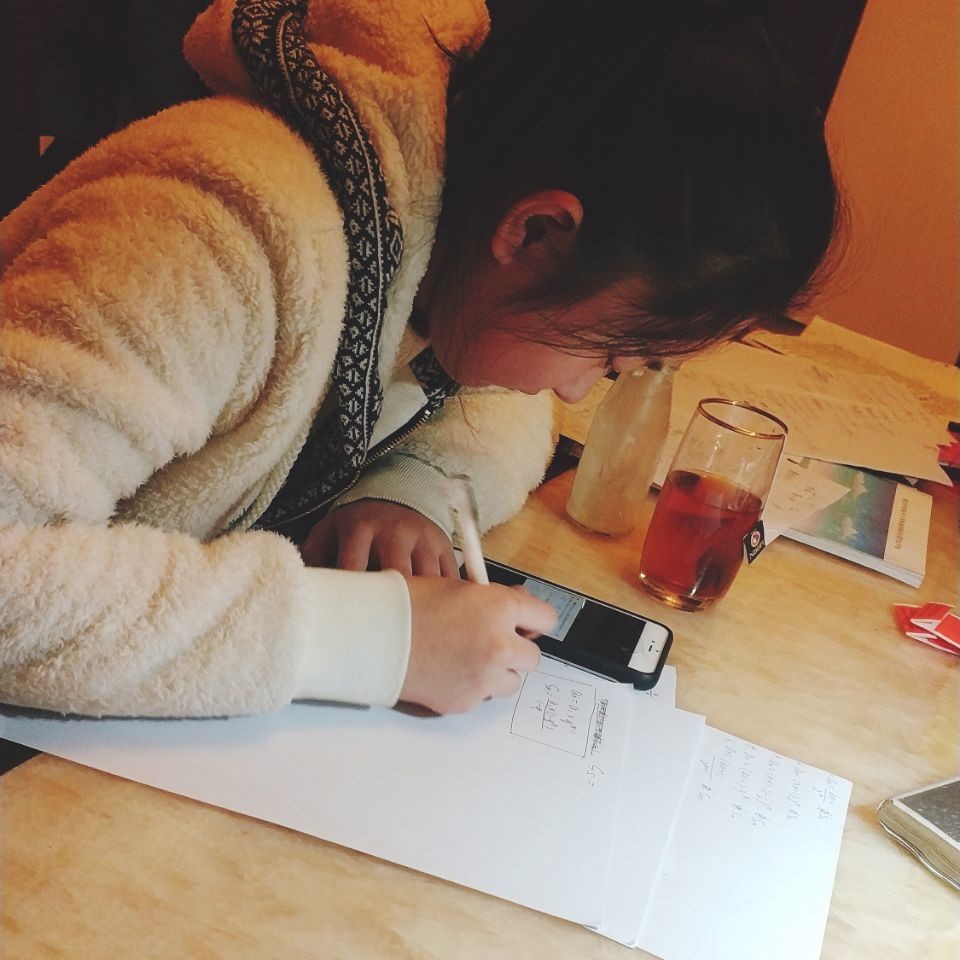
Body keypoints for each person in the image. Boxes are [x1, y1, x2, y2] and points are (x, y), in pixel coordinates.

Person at [0, 0, 841, 719]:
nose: (577, 391)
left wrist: (408, 491)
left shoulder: (439, 252)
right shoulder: (212, 237)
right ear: (536, 231)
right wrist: (368, 641)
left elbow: (507, 402)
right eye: (611, 358)